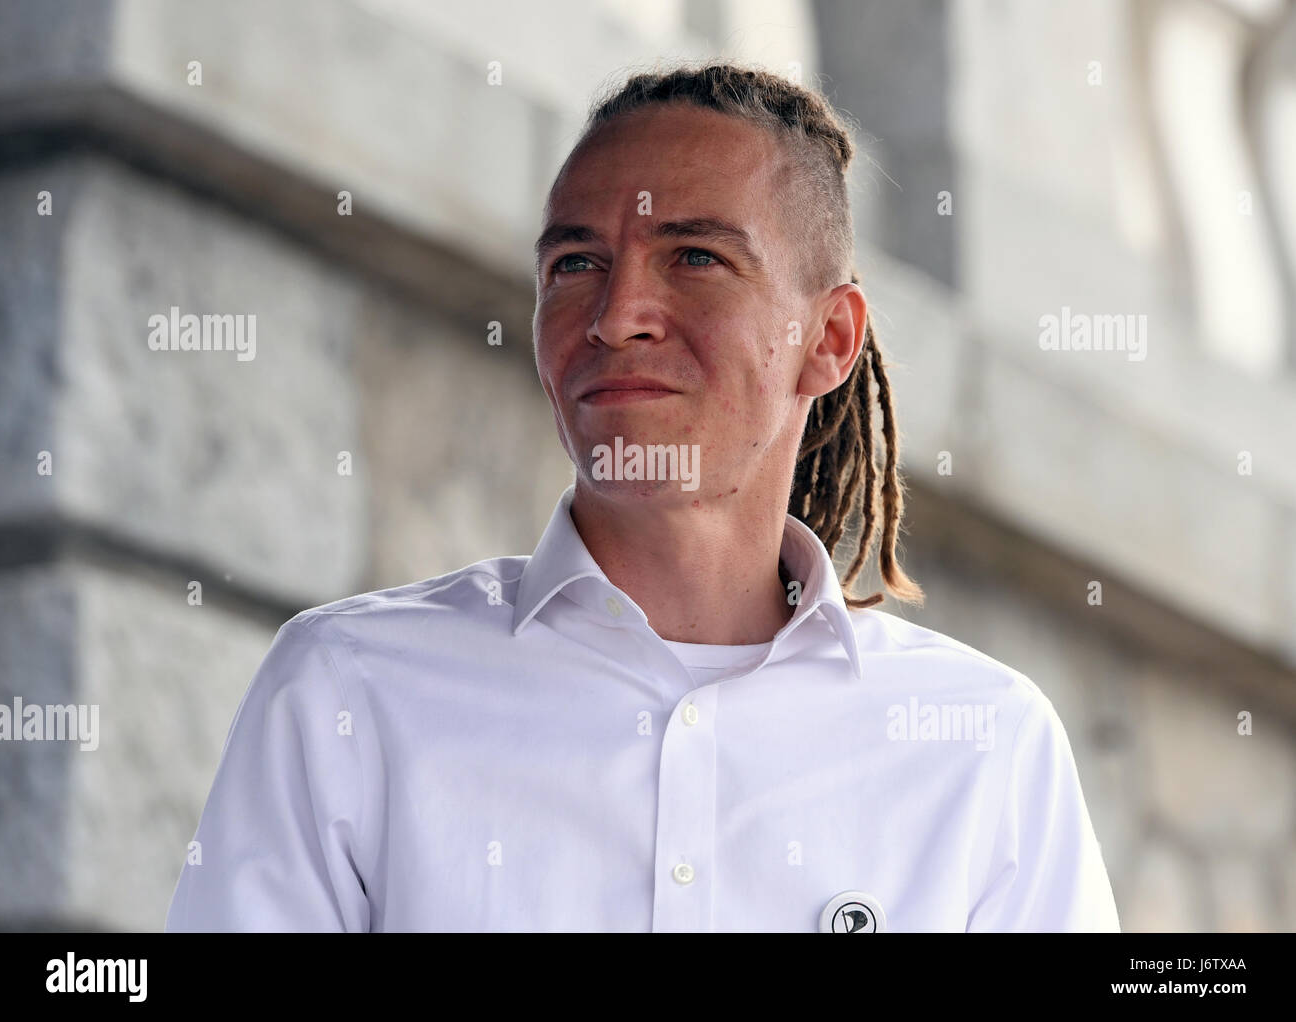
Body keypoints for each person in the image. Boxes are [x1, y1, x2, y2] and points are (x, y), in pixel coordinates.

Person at [165, 62, 1119, 933]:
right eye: (575, 263)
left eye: (695, 257)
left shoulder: (985, 747)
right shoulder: (347, 691)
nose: (618, 317)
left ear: (829, 339)